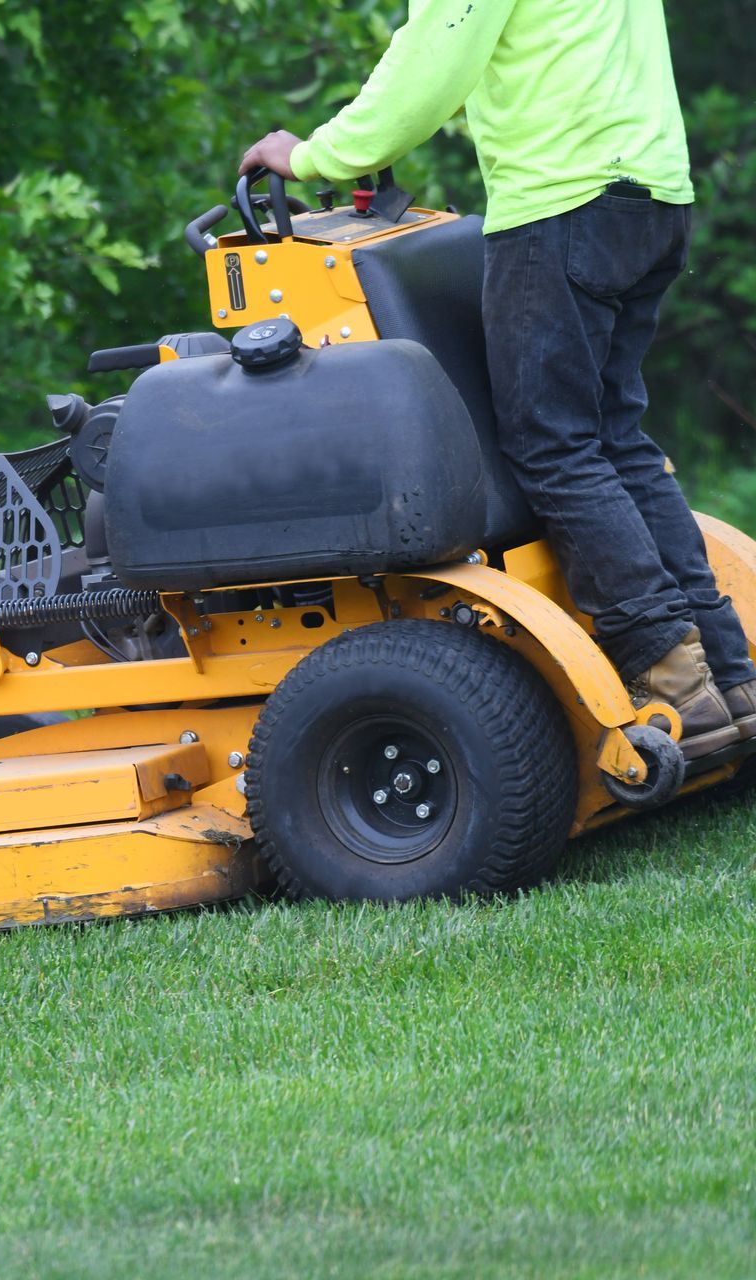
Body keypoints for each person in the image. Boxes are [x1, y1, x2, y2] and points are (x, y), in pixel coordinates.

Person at [238, 0, 755, 760]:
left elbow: (431, 65)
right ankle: (730, 679)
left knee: (555, 448)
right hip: (651, 196)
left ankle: (668, 678)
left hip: (562, 202)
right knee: (616, 441)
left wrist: (313, 156)